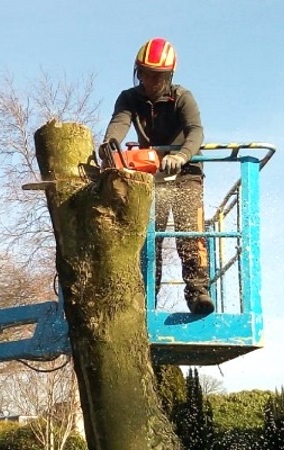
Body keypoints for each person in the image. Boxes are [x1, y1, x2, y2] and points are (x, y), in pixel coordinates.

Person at [102, 37, 214, 314]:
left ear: (168, 75)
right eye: (145, 74)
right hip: (149, 174)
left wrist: (181, 155)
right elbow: (119, 123)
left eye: (157, 76)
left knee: (189, 230)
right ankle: (146, 296)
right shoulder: (129, 98)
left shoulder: (182, 98)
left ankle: (198, 292)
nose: (150, 81)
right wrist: (108, 146)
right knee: (149, 236)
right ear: (137, 71)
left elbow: (196, 131)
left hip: (186, 172)